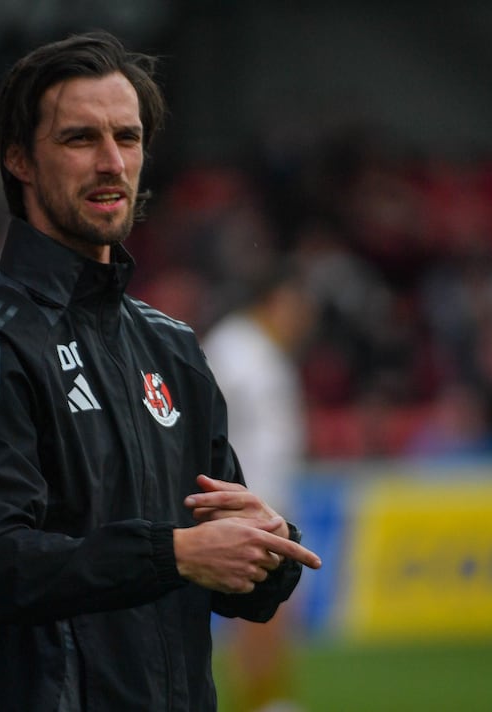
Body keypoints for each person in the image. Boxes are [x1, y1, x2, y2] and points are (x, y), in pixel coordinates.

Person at [0, 31, 321, 712]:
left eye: (127, 138)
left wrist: (269, 548)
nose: (111, 162)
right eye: (79, 139)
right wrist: (174, 554)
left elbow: (235, 583)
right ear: (19, 161)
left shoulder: (173, 348)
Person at [203, 259, 317, 712]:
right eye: (298, 306)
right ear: (277, 301)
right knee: (257, 613)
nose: (303, 319)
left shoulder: (268, 353)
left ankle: (270, 700)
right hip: (244, 508)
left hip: (274, 504)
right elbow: (203, 420)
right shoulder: (233, 349)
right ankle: (256, 703)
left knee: (279, 613)